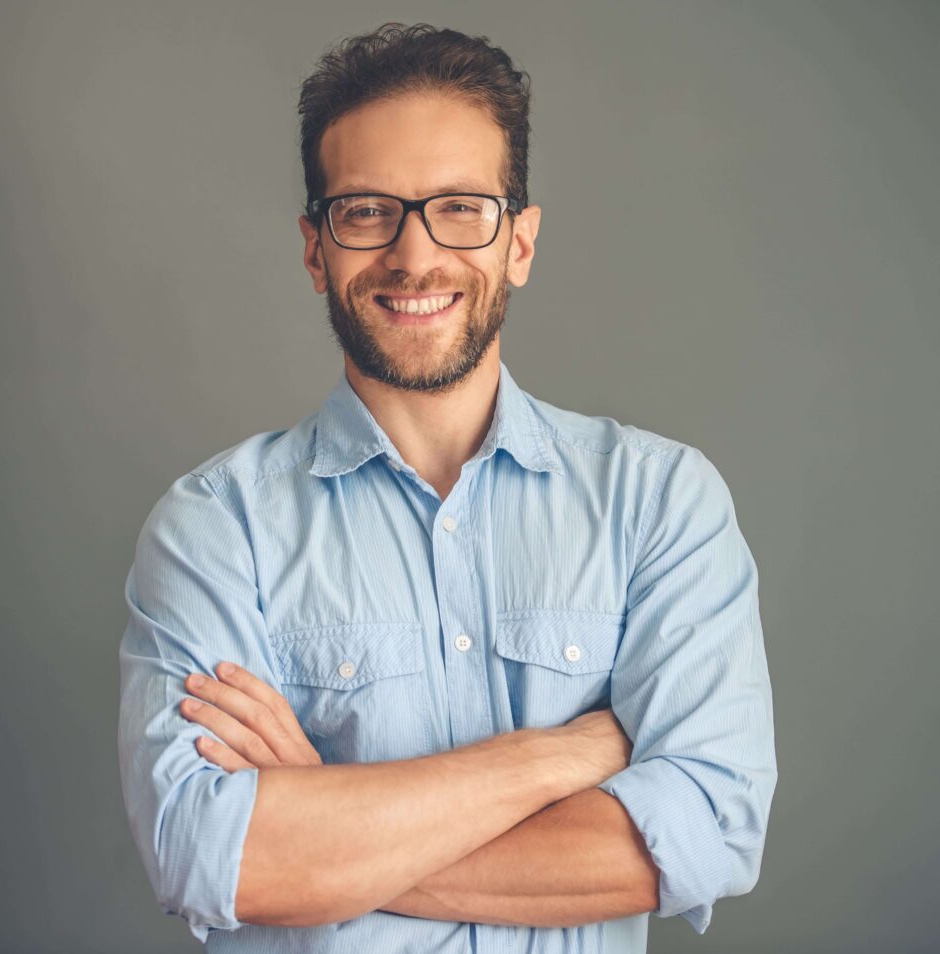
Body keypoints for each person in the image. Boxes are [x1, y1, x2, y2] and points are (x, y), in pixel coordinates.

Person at [117, 22, 777, 954]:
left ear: (520, 243)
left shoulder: (662, 503)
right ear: (316, 250)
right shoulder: (214, 528)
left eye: (462, 207)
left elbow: (707, 831)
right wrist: (565, 755)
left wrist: (324, 824)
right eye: (366, 210)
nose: (415, 255)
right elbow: (212, 859)